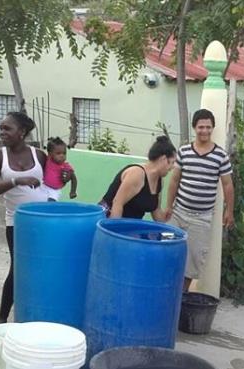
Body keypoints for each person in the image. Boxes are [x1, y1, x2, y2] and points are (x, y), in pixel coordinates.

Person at [0, 111, 48, 324]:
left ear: (22, 132)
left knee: (43, 266)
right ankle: (2, 319)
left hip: (45, 222)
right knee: (18, 267)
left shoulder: (39, 155)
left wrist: (66, 177)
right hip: (17, 223)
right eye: (1, 128)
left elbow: (53, 181)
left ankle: (38, 313)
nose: (2, 132)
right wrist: (16, 181)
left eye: (7, 128)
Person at [165, 109, 235, 291]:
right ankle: (165, 292)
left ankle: (181, 297)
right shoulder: (184, 152)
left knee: (192, 263)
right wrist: (168, 206)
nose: (204, 131)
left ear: (213, 128)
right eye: (201, 127)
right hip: (178, 214)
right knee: (166, 252)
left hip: (201, 219)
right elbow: (174, 180)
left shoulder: (220, 156)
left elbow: (227, 185)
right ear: (194, 128)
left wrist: (229, 211)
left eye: (208, 127)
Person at [98, 135, 177, 220]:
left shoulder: (159, 181)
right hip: (108, 219)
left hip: (131, 224)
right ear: (164, 159)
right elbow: (117, 204)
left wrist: (168, 215)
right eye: (172, 163)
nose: (173, 167)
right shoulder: (137, 174)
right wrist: (114, 230)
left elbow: (156, 211)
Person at [42, 137, 77, 201]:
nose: (62, 155)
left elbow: (74, 178)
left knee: (50, 203)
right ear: (50, 154)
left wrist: (73, 191)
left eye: (64, 153)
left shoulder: (66, 166)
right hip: (43, 186)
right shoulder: (47, 160)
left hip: (54, 190)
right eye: (58, 153)